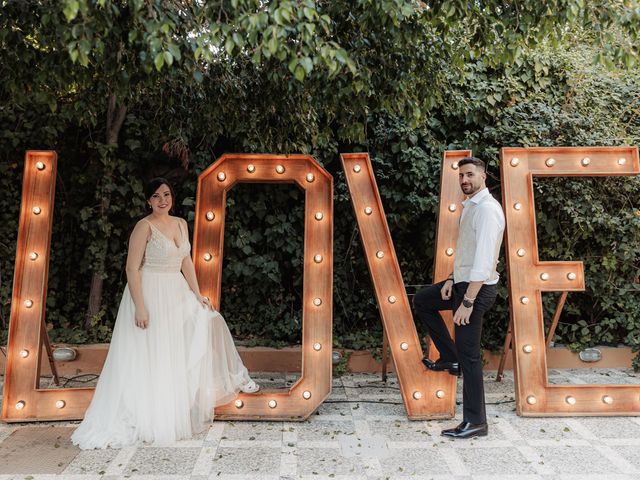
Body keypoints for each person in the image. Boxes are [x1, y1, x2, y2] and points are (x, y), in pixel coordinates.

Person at [72, 178, 259, 449]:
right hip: (150, 292)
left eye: (167, 194)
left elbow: (186, 261)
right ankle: (148, 415)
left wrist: (197, 293)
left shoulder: (181, 223)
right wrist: (141, 306)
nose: (163, 200)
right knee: (151, 353)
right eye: (157, 196)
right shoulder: (143, 227)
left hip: (177, 291)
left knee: (204, 324)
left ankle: (202, 395)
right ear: (148, 200)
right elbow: (131, 269)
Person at [413, 157, 505, 439]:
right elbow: (466, 252)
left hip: (476, 290)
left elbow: (484, 260)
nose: (464, 180)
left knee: (471, 357)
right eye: (461, 176)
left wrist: (467, 301)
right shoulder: (471, 207)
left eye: (470, 175)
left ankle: (476, 422)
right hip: (463, 283)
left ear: (483, 177)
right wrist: (452, 280)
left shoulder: (488, 210)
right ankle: (449, 358)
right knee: (423, 300)